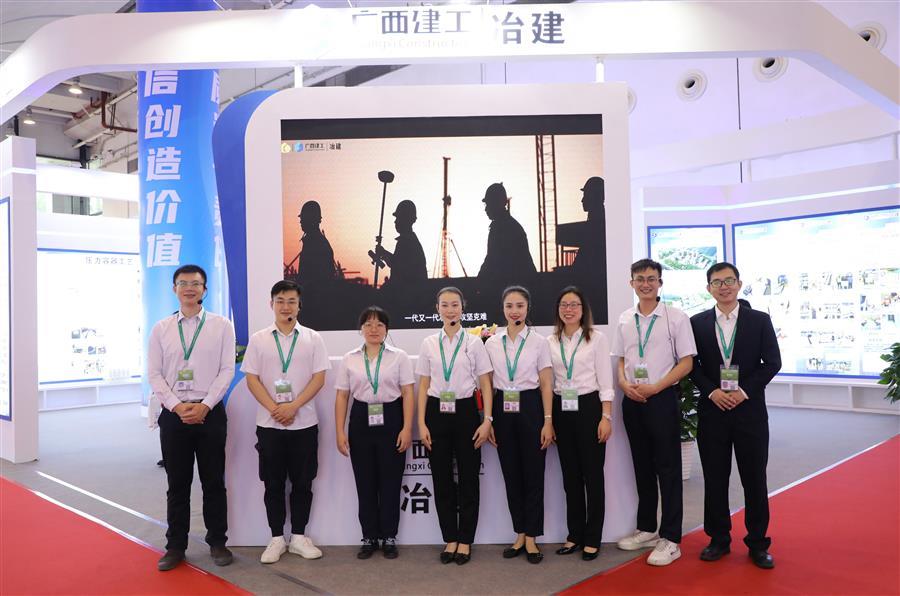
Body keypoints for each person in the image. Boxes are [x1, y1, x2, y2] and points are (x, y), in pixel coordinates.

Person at [689, 262, 781, 569]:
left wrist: (744, 391)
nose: (724, 286)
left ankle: (758, 543)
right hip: (713, 411)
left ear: (739, 284)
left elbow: (772, 362)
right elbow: (692, 366)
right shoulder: (697, 323)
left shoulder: (759, 320)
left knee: (754, 479)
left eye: (729, 281)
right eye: (717, 282)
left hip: (749, 411)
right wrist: (712, 391)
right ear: (709, 289)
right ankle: (718, 539)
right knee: (715, 478)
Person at [148, 264, 236, 572]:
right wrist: (176, 406)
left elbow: (227, 370)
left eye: (195, 283)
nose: (189, 288)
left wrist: (206, 405)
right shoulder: (161, 329)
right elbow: (154, 374)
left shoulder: (222, 326)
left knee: (213, 481)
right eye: (183, 283)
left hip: (210, 413)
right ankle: (175, 546)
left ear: (204, 290)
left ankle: (217, 541)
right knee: (177, 483)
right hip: (174, 416)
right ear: (174, 289)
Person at [613, 259, 696, 566]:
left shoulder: (675, 317)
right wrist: (624, 384)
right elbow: (621, 359)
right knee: (642, 466)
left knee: (668, 468)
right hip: (632, 399)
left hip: (660, 398)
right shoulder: (625, 318)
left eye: (651, 278)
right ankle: (647, 528)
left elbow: (686, 362)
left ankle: (671, 538)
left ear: (660, 282)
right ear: (631, 283)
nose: (645, 284)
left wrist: (657, 387)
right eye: (640, 279)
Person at [241, 280, 330, 564]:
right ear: (271, 304)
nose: (286, 306)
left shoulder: (313, 338)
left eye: (291, 301)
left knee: (303, 482)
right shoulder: (259, 339)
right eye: (280, 301)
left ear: (299, 305)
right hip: (269, 425)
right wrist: (274, 408)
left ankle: (300, 537)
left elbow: (319, 378)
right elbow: (252, 379)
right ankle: (277, 537)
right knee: (273, 483)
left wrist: (293, 406)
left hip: (304, 424)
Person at [416, 287, 494, 565]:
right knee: (441, 478)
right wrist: (421, 422)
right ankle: (450, 537)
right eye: (445, 305)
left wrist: (487, 420)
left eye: (455, 305)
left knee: (469, 478)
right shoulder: (428, 343)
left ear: (463, 308)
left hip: (466, 412)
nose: (450, 310)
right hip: (436, 412)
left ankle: (465, 540)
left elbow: (485, 383)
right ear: (437, 308)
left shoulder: (474, 343)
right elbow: (423, 385)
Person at [334, 306, 415, 560]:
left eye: (379, 324)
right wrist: (339, 431)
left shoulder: (399, 357)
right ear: (361, 329)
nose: (374, 329)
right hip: (361, 420)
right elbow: (342, 396)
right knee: (365, 482)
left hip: (392, 418)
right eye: (368, 324)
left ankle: (389, 536)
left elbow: (408, 393)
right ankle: (369, 536)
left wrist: (406, 428)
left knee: (391, 482)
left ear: (387, 329)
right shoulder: (350, 358)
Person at [485, 285, 554, 564]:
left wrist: (548, 420)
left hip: (531, 406)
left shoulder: (539, 342)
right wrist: (489, 420)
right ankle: (519, 533)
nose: (515, 311)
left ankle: (532, 537)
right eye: (509, 306)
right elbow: (487, 385)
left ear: (527, 308)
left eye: (520, 306)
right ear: (503, 309)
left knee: (534, 474)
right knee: (511, 473)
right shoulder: (492, 343)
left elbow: (546, 382)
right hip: (502, 407)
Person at [547, 286, 614, 561]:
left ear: (583, 309)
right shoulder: (550, 341)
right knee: (570, 477)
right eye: (564, 305)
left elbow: (605, 381)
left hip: (589, 408)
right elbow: (547, 381)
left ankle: (592, 537)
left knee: (593, 476)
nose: (569, 309)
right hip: (561, 408)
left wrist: (606, 417)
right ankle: (574, 534)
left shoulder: (596, 339)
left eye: (574, 304)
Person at [477, 183, 537, 286]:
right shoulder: (509, 226)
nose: (486, 209)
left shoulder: (502, 228)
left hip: (513, 286)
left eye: (488, 204)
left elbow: (492, 260)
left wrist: (478, 282)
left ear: (496, 204)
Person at [374, 200, 427, 287]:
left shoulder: (408, 243)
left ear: (405, 219)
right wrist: (383, 253)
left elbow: (398, 266)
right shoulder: (408, 241)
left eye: (398, 218)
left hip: (409, 293)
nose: (395, 222)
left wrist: (383, 253)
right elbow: (397, 263)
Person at [571, 177, 606, 276]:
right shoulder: (598, 219)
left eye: (586, 195)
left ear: (594, 196)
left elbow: (586, 252)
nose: (582, 200)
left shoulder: (596, 223)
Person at [297, 200, 338, 283]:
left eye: (303, 218)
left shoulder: (316, 243)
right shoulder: (313, 241)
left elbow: (316, 279)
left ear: (311, 219)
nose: (300, 221)